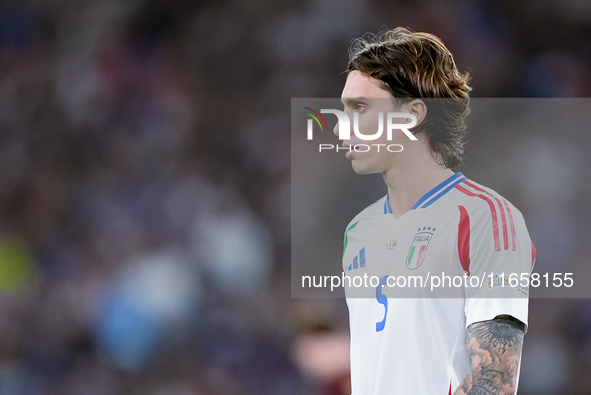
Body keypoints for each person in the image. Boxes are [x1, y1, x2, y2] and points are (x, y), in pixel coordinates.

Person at [337, 27, 535, 394]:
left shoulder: (486, 218)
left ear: (413, 114)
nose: (340, 127)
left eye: (360, 108)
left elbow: (496, 380)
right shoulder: (358, 230)